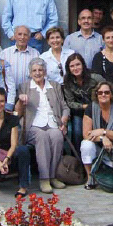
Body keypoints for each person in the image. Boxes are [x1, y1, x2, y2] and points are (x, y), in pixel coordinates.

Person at [16, 58, 70, 194]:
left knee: (57, 136)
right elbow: (17, 113)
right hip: (33, 126)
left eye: (40, 70)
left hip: (53, 123)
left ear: (45, 72)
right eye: (34, 70)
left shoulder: (55, 86)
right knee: (42, 136)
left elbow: (65, 107)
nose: (38, 73)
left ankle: (53, 176)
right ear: (30, 73)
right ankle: (44, 178)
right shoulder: (25, 87)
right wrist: (20, 100)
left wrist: (63, 121)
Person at [0, 87, 30, 196]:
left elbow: (14, 144)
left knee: (23, 150)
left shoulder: (12, 119)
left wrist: (6, 159)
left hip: (9, 155)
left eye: (2, 101)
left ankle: (23, 186)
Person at [81, 81, 113, 189]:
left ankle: (100, 172)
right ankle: (90, 179)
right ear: (96, 94)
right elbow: (86, 135)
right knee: (86, 145)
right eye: (100, 92)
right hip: (97, 147)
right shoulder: (91, 108)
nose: (103, 95)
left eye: (106, 92)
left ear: (111, 94)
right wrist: (103, 138)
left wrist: (103, 131)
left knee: (112, 181)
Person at [62, 53, 105, 148]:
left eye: (78, 64)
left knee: (99, 131)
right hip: (79, 112)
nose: (75, 68)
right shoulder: (67, 80)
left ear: (83, 65)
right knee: (77, 133)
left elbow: (107, 91)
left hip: (99, 110)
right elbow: (70, 103)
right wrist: (84, 107)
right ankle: (79, 160)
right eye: (72, 66)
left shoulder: (95, 77)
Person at [2, 25, 40, 112]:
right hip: (8, 94)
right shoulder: (5, 53)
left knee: (24, 121)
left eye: (25, 35)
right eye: (19, 34)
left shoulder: (35, 54)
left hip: (27, 94)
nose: (22, 37)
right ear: (15, 36)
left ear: (29, 37)